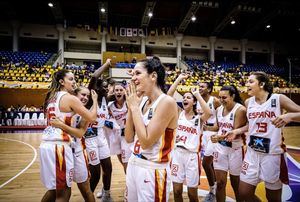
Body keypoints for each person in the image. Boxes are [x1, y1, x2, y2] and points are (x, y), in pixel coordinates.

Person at [224, 72, 300, 201]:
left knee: (273, 198)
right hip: (252, 153)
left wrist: (289, 116)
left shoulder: (278, 98)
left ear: (262, 84)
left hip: (273, 155)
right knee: (244, 194)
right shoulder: (248, 102)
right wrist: (237, 131)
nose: (246, 84)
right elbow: (250, 125)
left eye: (251, 81)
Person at [124, 56, 178, 201]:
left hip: (152, 168)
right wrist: (131, 106)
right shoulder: (142, 102)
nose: (133, 78)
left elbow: (146, 142)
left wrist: (134, 107)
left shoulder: (167, 102)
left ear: (153, 76)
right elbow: (129, 137)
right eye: (133, 74)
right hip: (134, 162)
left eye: (137, 73)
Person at [40, 69, 98, 202]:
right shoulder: (70, 99)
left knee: (56, 189)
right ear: (62, 82)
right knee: (64, 192)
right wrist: (95, 100)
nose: (74, 82)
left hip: (51, 145)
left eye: (74, 79)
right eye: (71, 79)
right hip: (59, 147)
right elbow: (92, 117)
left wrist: (62, 126)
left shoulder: (52, 97)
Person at [167, 73, 212, 202]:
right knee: (176, 191)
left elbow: (208, 112)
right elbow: (169, 96)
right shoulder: (178, 113)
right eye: (184, 97)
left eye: (188, 98)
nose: (185, 99)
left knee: (192, 195)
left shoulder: (199, 119)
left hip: (192, 157)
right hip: (177, 154)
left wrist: (197, 94)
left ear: (194, 102)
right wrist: (179, 79)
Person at [50, 86, 96, 202]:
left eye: (87, 96)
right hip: (62, 151)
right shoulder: (65, 106)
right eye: (83, 95)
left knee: (85, 189)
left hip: (78, 152)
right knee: (55, 191)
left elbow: (80, 133)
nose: (85, 98)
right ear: (75, 95)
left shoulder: (85, 112)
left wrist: (95, 101)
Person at [206, 85, 247, 202]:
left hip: (235, 150)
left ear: (233, 96)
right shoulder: (219, 110)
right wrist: (204, 127)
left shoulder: (240, 110)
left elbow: (235, 133)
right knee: (220, 183)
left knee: (236, 184)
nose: (221, 100)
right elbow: (217, 127)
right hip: (220, 149)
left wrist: (218, 138)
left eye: (224, 97)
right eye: (219, 97)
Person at [85, 59, 114, 201]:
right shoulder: (91, 98)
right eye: (104, 87)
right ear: (96, 88)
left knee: (108, 168)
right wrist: (107, 64)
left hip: (101, 135)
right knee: (95, 174)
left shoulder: (106, 100)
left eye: (107, 87)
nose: (107, 89)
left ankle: (106, 194)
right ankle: (88, 196)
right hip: (90, 136)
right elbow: (94, 77)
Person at [198, 81, 221, 202]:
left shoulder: (215, 101)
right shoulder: (197, 100)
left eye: (202, 86)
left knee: (205, 163)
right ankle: (215, 188)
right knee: (210, 164)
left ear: (209, 89)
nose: (200, 88)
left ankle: (212, 191)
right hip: (202, 134)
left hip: (213, 134)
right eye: (199, 86)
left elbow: (221, 120)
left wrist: (210, 129)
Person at [107, 81, 132, 173]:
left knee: (126, 160)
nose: (118, 92)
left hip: (127, 134)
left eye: (121, 90)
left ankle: (129, 181)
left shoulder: (128, 102)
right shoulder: (110, 105)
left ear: (124, 91)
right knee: (120, 155)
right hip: (116, 134)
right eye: (116, 90)